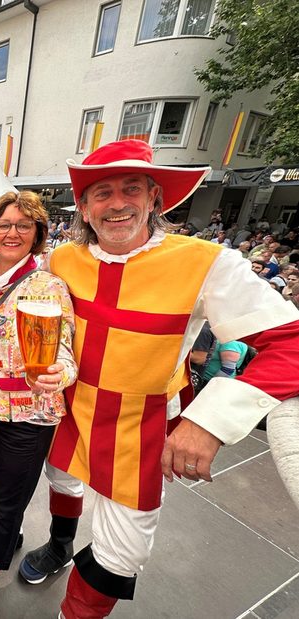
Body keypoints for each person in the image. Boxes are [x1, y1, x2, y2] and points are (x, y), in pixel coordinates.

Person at [17, 139, 299, 618]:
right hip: (68, 410)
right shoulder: (62, 258)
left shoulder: (209, 262)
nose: (118, 203)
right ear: (84, 208)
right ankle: (61, 544)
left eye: (132, 188)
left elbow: (291, 343)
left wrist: (208, 422)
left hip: (139, 427)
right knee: (63, 483)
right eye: (101, 193)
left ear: (155, 199)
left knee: (120, 556)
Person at [0, 191, 76, 618]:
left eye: (24, 225)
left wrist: (59, 373)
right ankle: (2, 531)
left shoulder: (47, 285)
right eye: (3, 224)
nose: (12, 232)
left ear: (38, 233)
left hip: (29, 413)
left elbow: (64, 351)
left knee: (7, 496)